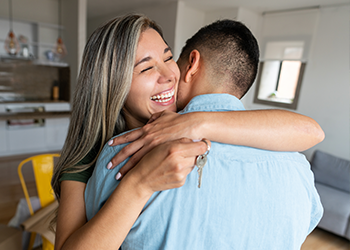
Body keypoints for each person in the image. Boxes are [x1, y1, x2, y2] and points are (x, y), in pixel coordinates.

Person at [51, 14, 324, 250]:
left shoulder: (197, 129)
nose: (170, 74)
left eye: (168, 57)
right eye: (146, 67)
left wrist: (194, 122)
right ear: (110, 85)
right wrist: (140, 183)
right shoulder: (101, 155)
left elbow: (310, 131)